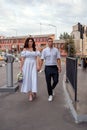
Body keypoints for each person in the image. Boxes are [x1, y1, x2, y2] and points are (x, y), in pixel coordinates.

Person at [40, 37, 61, 102]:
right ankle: (50, 95)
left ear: (52, 42)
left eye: (51, 41)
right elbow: (42, 59)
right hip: (48, 68)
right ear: (47, 42)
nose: (50, 42)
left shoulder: (56, 50)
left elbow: (58, 59)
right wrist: (40, 67)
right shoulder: (44, 50)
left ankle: (52, 88)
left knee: (56, 80)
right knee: (48, 82)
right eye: (49, 41)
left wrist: (59, 67)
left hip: (54, 67)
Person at [20, 37, 41, 101]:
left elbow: (37, 58)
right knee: (28, 79)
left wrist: (38, 65)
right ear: (27, 42)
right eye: (29, 41)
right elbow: (22, 59)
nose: (30, 42)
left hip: (33, 65)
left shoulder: (35, 49)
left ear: (33, 42)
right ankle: (30, 94)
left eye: (31, 41)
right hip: (26, 65)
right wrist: (21, 67)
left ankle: (34, 91)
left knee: (34, 79)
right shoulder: (25, 49)